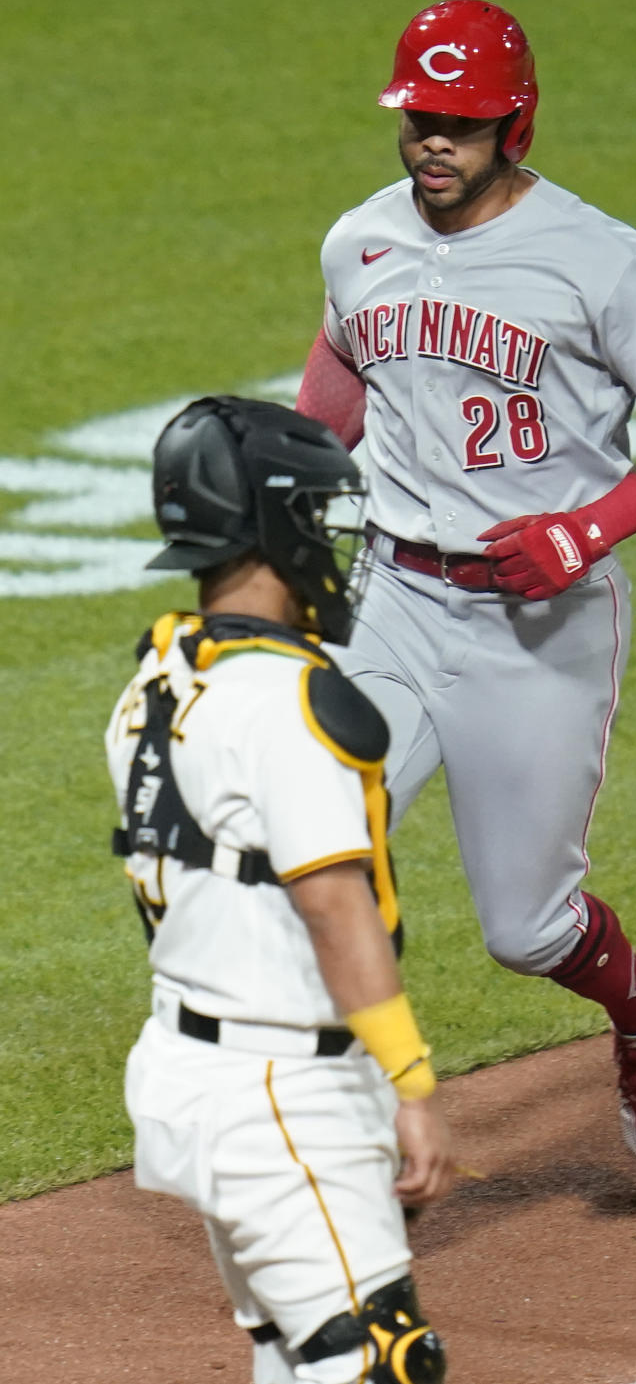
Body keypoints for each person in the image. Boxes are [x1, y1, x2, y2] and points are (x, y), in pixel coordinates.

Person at [296, 0, 636, 1165]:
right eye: (418, 120)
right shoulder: (361, 240)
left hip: (537, 624)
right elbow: (344, 370)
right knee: (308, 845)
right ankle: (344, 1123)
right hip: (390, 600)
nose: (432, 143)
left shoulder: (600, 259)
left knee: (527, 926)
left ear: (517, 123)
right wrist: (289, 486)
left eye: (460, 123)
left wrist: (590, 530)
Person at [106, 395, 453, 1384]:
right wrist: (410, 1083)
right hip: (279, 1090)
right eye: (317, 515)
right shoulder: (285, 705)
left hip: (189, 1066)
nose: (332, 542)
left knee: (297, 1354)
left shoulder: (161, 679)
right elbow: (334, 905)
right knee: (381, 1361)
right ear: (273, 526)